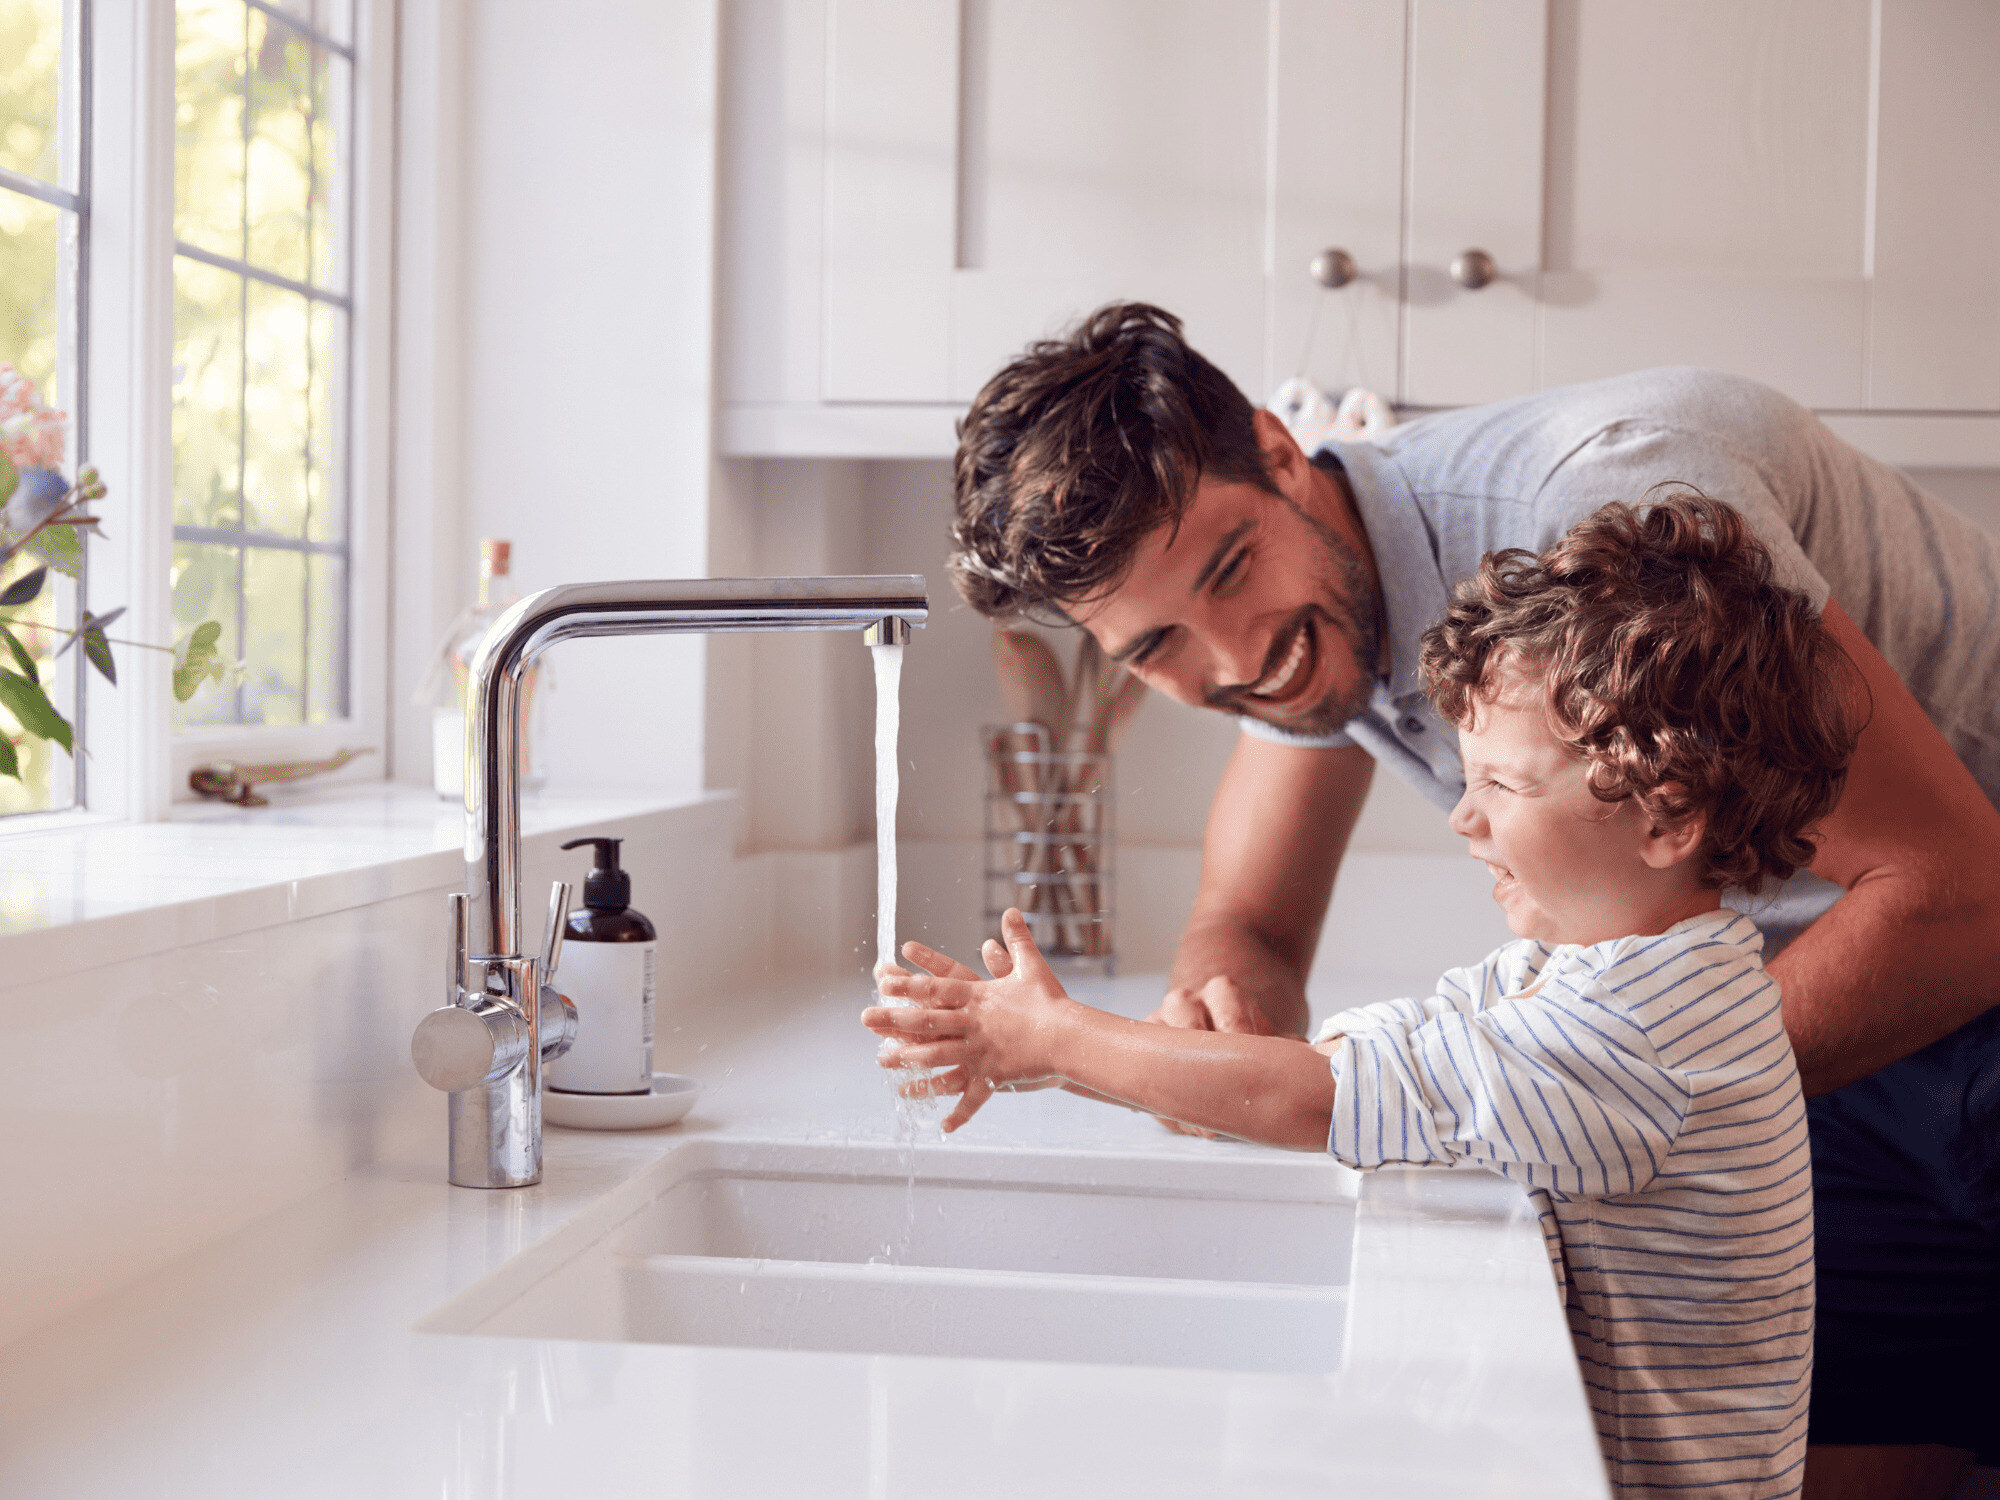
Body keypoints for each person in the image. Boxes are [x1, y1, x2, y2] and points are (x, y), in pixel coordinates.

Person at [944, 303, 2000, 1499]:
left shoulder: (1598, 538)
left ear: (1278, 450)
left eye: (1229, 569)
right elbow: (1251, 923)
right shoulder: (1310, 626)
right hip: (1843, 1039)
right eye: (1154, 648)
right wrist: (1224, 1005)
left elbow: (1957, 898)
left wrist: (1533, 1097)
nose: (1232, 658)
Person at [868, 494, 1852, 1499]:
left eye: (1501, 788)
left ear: (1666, 815)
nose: (1462, 819)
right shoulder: (1614, 970)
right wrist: (1050, 1057)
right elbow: (1390, 1060)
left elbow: (1322, 1097)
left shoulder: (1637, 1034)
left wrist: (1059, 1040)